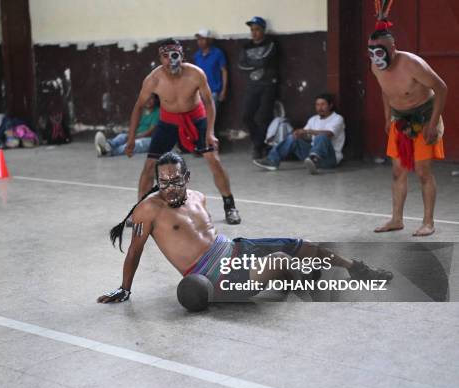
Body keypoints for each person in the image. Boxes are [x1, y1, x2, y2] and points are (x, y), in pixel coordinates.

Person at [97, 152, 392, 303]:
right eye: (163, 182)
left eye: (176, 181)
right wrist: (125, 289)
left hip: (235, 247)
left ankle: (356, 268)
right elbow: (134, 251)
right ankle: (299, 280)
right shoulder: (149, 209)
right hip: (214, 276)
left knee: (304, 244)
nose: (170, 188)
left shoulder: (199, 197)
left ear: (187, 177)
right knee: (282, 261)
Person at [125, 38, 241, 225]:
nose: (170, 60)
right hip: (168, 122)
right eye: (165, 56)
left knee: (214, 160)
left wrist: (210, 132)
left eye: (174, 55)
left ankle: (230, 206)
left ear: (181, 55)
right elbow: (138, 107)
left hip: (196, 119)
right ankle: (140, 211)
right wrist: (131, 138)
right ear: (160, 58)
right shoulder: (153, 79)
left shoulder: (196, 74)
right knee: (149, 166)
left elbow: (210, 103)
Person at [368, 21, 447, 237]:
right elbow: (386, 91)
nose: (375, 57)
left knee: (423, 172)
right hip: (399, 120)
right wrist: (387, 117)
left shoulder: (412, 64)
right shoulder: (376, 66)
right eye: (371, 52)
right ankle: (396, 220)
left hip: (424, 118)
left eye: (380, 51)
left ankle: (428, 222)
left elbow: (441, 88)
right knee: (397, 172)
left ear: (392, 49)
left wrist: (433, 123)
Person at [253, 94, 345, 174]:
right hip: (310, 156)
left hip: (330, 158)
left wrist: (307, 131)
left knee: (322, 136)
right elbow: (306, 136)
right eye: (317, 105)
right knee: (292, 138)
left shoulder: (337, 118)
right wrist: (299, 134)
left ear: (330, 105)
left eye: (323, 104)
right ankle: (272, 160)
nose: (320, 107)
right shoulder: (313, 119)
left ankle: (314, 159)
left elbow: (329, 134)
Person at [238, 16, 278, 160]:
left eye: (257, 29)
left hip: (268, 85)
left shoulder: (271, 44)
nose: (254, 33)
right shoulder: (246, 46)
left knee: (264, 117)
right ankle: (258, 143)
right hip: (252, 85)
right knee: (246, 115)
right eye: (252, 30)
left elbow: (264, 60)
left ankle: (258, 146)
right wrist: (256, 63)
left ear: (263, 30)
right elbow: (241, 65)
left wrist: (253, 63)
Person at [95, 94, 159, 157]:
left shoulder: (158, 112)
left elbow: (150, 132)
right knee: (122, 136)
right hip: (138, 135)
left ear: (155, 100)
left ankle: (109, 152)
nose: (148, 100)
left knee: (135, 144)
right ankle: (107, 145)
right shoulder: (142, 110)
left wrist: (135, 136)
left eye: (151, 98)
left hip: (150, 139)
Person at [193, 29, 228, 112]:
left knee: (210, 117)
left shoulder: (218, 53)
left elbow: (224, 71)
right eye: (198, 39)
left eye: (203, 39)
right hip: (200, 92)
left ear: (209, 40)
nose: (200, 42)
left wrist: (223, 90)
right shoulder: (197, 55)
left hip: (214, 91)